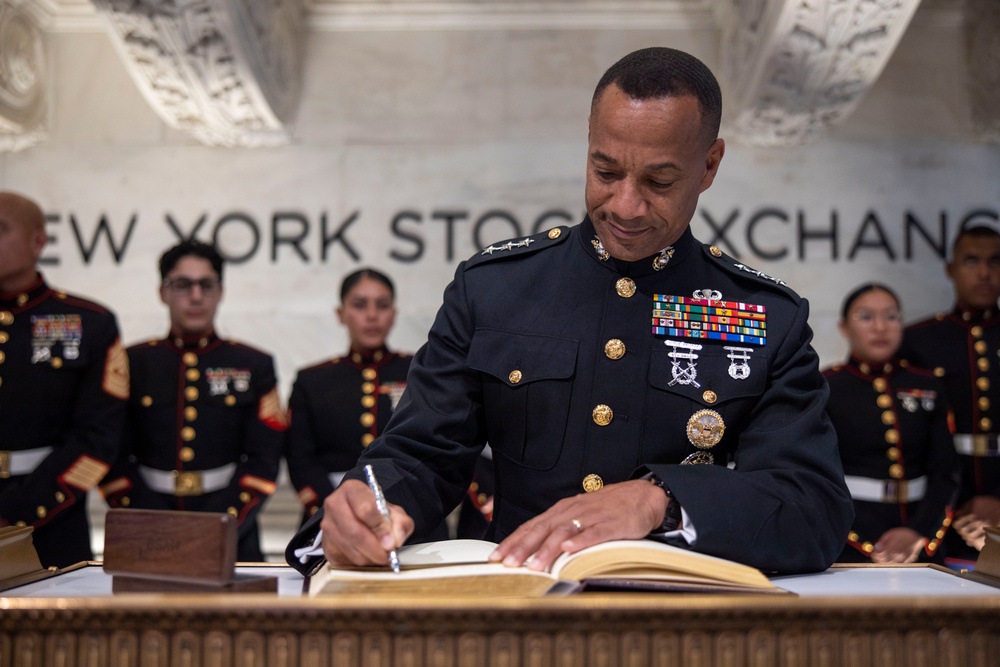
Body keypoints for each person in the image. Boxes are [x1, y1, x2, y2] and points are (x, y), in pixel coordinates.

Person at [286, 47, 853, 577]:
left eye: (659, 181)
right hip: (518, 606)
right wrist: (367, 506)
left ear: (709, 165)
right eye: (605, 172)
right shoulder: (494, 290)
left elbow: (813, 506)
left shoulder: (762, 316)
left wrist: (664, 499)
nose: (625, 206)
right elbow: (424, 451)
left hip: (680, 619)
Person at [100, 240, 286, 561]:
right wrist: (153, 523)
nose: (196, 296)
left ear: (221, 292)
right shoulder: (130, 363)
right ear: (163, 292)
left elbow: (264, 458)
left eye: (206, 285)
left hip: (232, 528)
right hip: (146, 525)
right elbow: (111, 451)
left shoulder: (253, 363)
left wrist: (220, 524)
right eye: (183, 284)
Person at [284, 268, 493, 536]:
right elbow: (301, 460)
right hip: (334, 518)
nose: (372, 315)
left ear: (393, 314)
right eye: (360, 305)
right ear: (341, 314)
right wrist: (337, 512)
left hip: (417, 518)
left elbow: (453, 438)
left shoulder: (422, 371)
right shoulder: (313, 380)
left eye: (382, 305)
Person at [0, 191, 129, 567]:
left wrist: (19, 510)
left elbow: (97, 437)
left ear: (37, 241)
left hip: (53, 521)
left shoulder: (91, 322)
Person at [824, 283, 958, 563]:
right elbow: (819, 479)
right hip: (849, 540)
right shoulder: (826, 388)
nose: (880, 327)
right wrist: (870, 543)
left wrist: (918, 532)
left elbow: (945, 472)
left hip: (919, 538)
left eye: (891, 316)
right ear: (844, 328)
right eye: (866, 316)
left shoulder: (927, 384)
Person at [900, 223, 1000, 567]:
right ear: (951, 269)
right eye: (972, 261)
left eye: (995, 261)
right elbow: (912, 439)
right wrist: (955, 507)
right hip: (941, 512)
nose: (985, 273)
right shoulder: (919, 340)